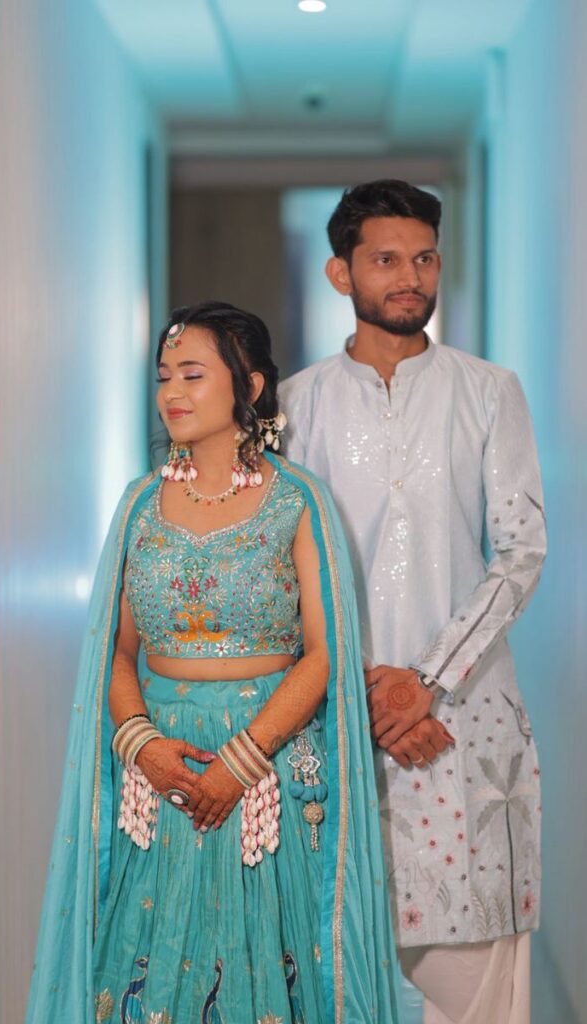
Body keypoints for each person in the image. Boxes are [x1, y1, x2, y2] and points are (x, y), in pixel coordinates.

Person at [26, 301, 402, 1024]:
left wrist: (242, 758)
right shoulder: (140, 505)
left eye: (192, 375)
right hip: (161, 772)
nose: (171, 392)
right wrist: (141, 743)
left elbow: (324, 653)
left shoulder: (297, 501)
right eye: (163, 375)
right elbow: (117, 651)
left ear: (249, 387)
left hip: (267, 769)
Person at [280, 180, 546, 1024]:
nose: (409, 278)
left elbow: (520, 549)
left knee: (481, 982)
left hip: (463, 717)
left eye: (424, 258)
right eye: (386, 260)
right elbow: (283, 569)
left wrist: (424, 681)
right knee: (325, 964)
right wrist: (368, 695)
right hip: (337, 716)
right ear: (340, 273)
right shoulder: (293, 406)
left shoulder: (488, 390)